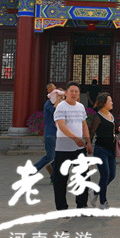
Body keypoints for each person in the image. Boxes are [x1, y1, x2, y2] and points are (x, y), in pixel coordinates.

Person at [51, 81, 93, 210]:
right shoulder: (61, 107)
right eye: (71, 91)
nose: (74, 94)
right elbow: (62, 126)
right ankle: (62, 208)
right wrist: (75, 139)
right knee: (61, 179)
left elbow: (84, 125)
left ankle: (82, 205)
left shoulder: (80, 107)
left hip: (79, 149)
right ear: (66, 93)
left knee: (83, 176)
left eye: (76, 91)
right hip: (63, 149)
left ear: (79, 94)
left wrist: (88, 142)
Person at [88, 92, 120, 209]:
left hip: (111, 150)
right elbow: (92, 132)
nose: (112, 103)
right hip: (100, 150)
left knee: (112, 175)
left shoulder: (111, 115)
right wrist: (88, 145)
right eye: (110, 101)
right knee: (105, 175)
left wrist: (119, 130)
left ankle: (95, 192)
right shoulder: (98, 117)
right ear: (103, 103)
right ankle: (103, 202)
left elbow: (113, 131)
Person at [33, 83, 64, 176]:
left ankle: (53, 175)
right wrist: (58, 100)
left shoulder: (59, 104)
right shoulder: (49, 103)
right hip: (50, 134)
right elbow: (54, 111)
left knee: (61, 155)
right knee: (50, 156)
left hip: (58, 134)